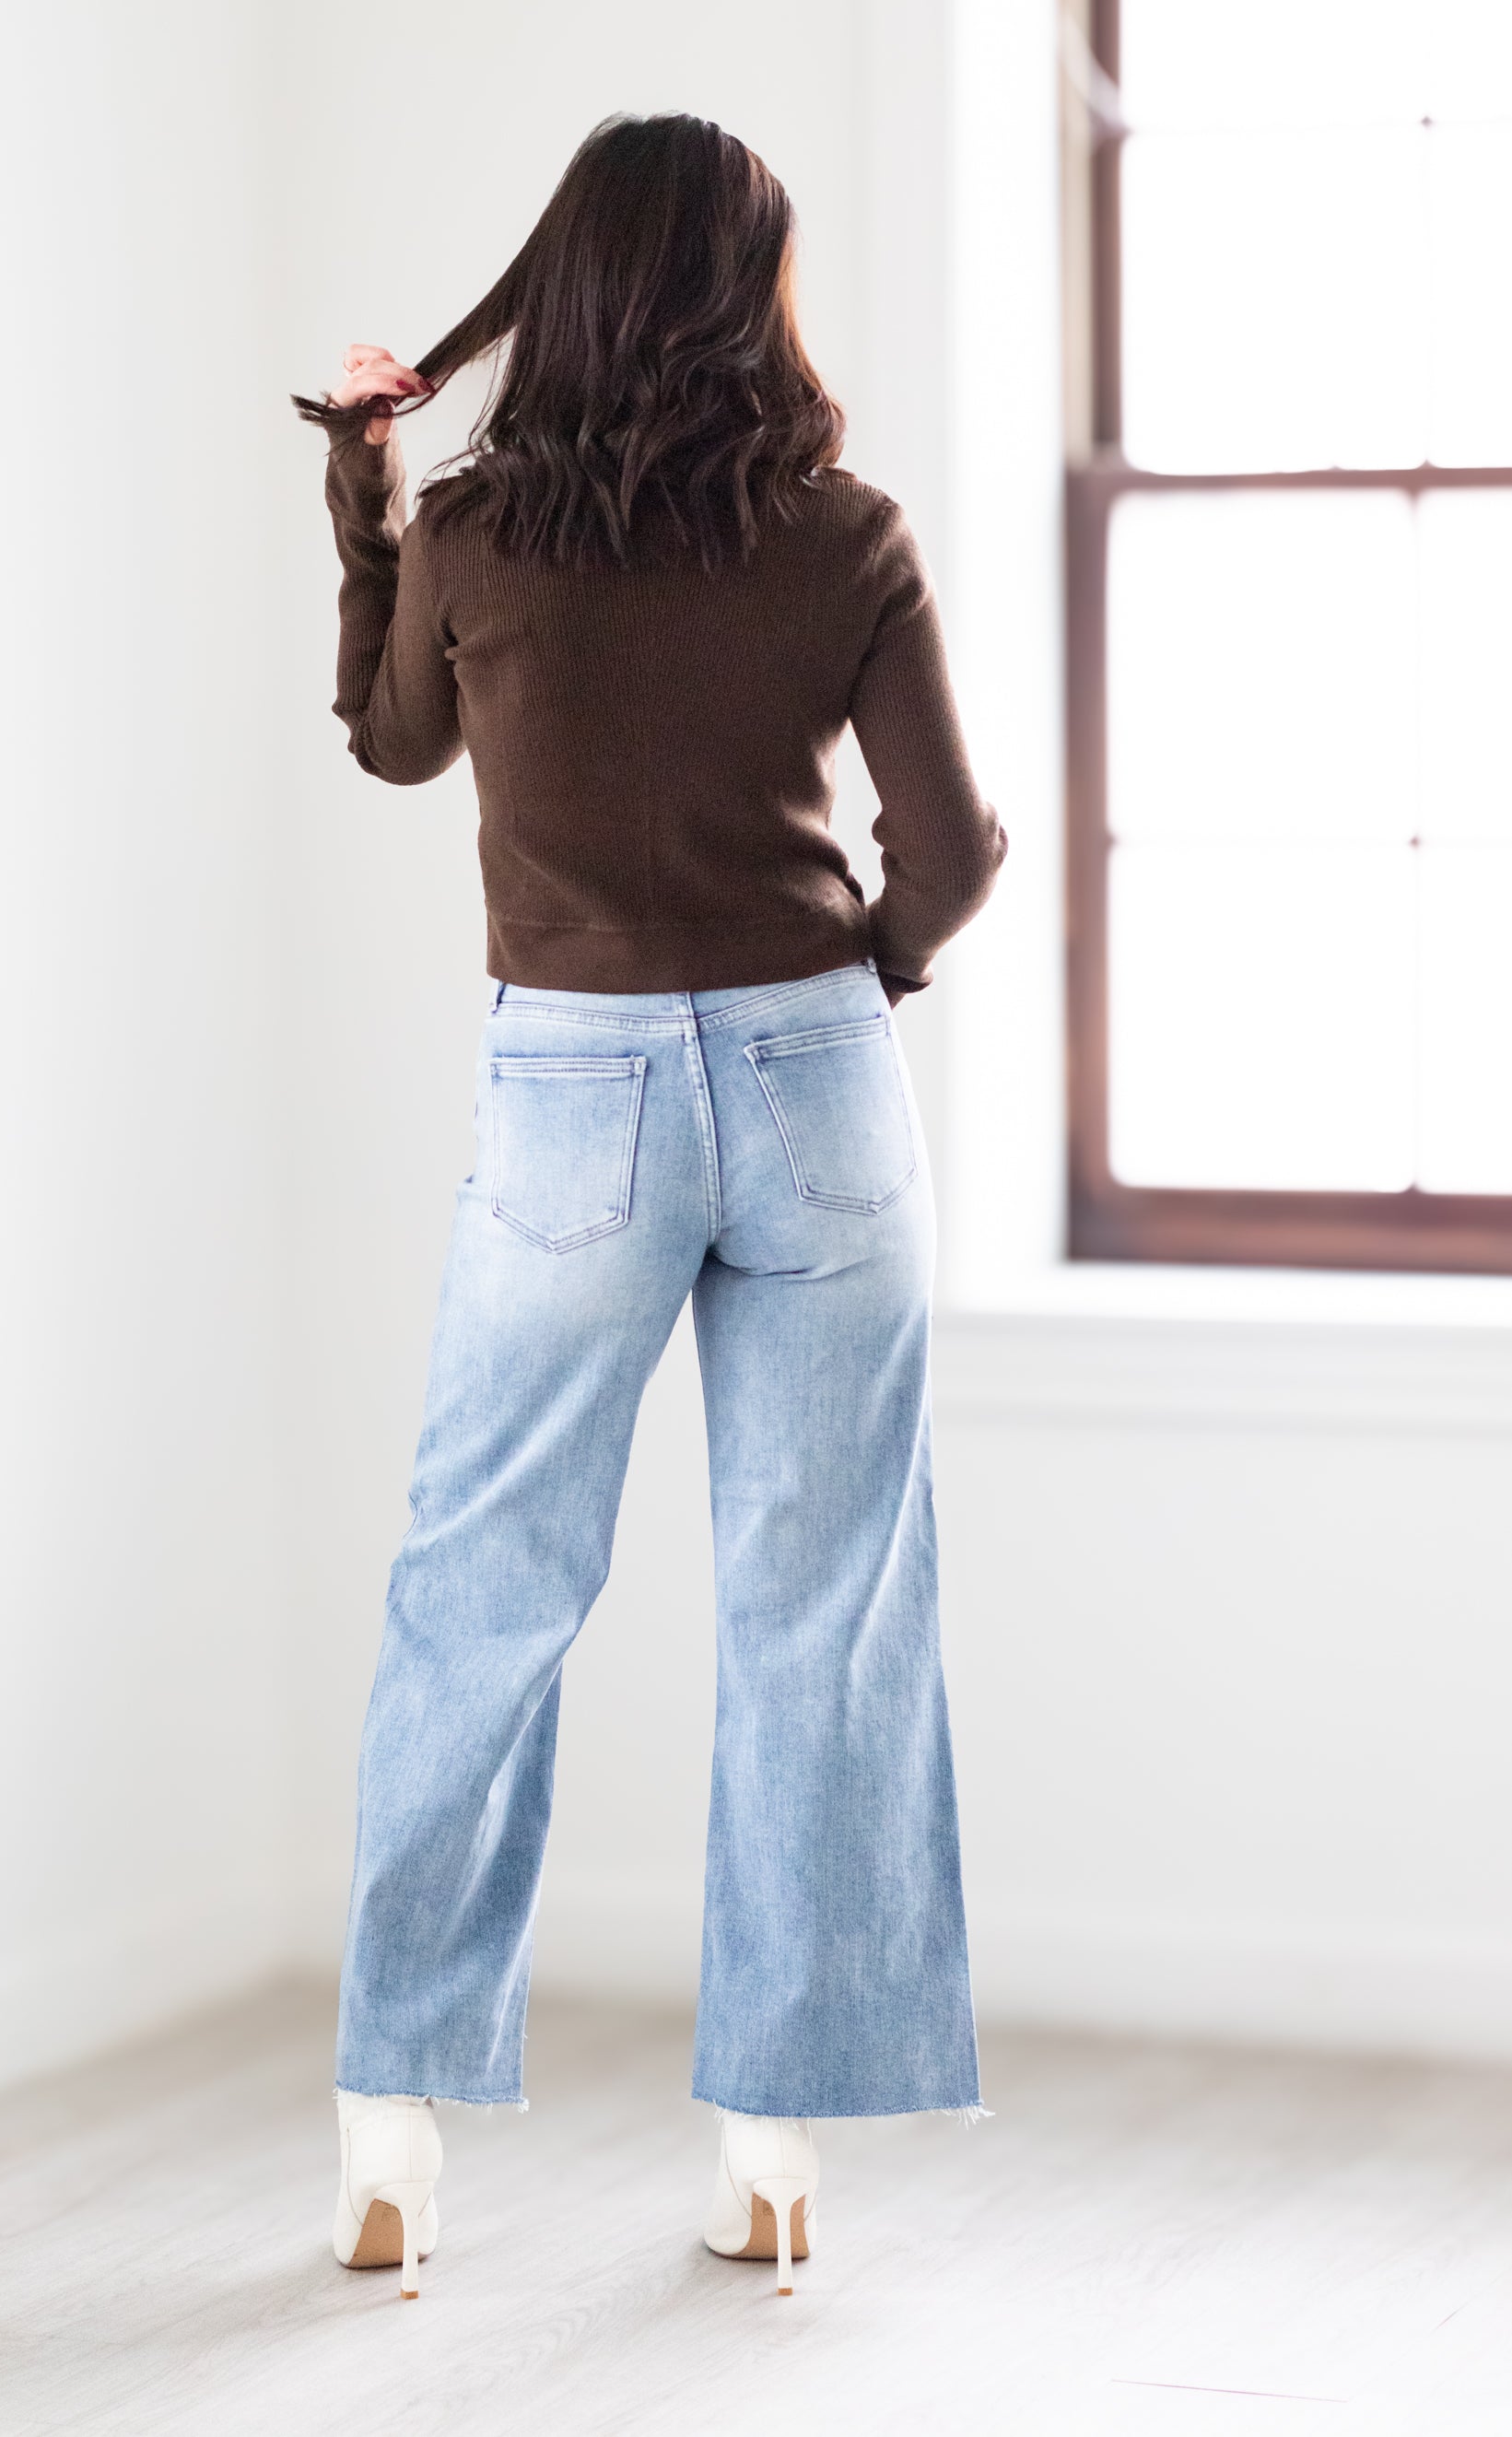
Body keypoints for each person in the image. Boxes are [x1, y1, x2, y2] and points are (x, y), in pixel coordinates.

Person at [294, 111, 1004, 2302]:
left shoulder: (481, 531)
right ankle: (772, 2148)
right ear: (750, 292)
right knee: (824, 1610)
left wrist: (366, 512)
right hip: (818, 1081)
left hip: (572, 1089)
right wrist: (857, 984)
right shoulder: (845, 532)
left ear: (571, 285)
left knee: (479, 1595)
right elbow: (955, 854)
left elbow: (395, 744)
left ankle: (393, 2127)